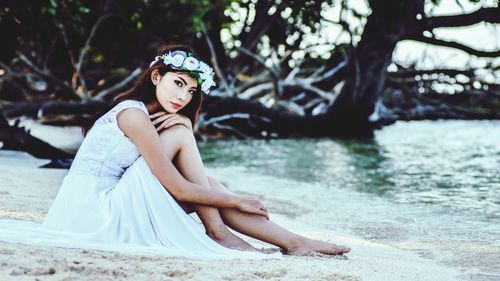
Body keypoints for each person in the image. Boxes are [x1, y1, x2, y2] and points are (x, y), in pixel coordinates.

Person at [0, 44, 350, 258]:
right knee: (185, 135)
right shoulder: (134, 114)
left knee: (208, 180)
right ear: (156, 76)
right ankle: (222, 233)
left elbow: (181, 185)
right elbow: (180, 189)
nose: (182, 97)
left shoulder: (148, 116)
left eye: (191, 91)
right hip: (92, 213)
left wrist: (225, 196)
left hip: (86, 207)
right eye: (177, 83)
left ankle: (293, 242)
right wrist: (238, 199)